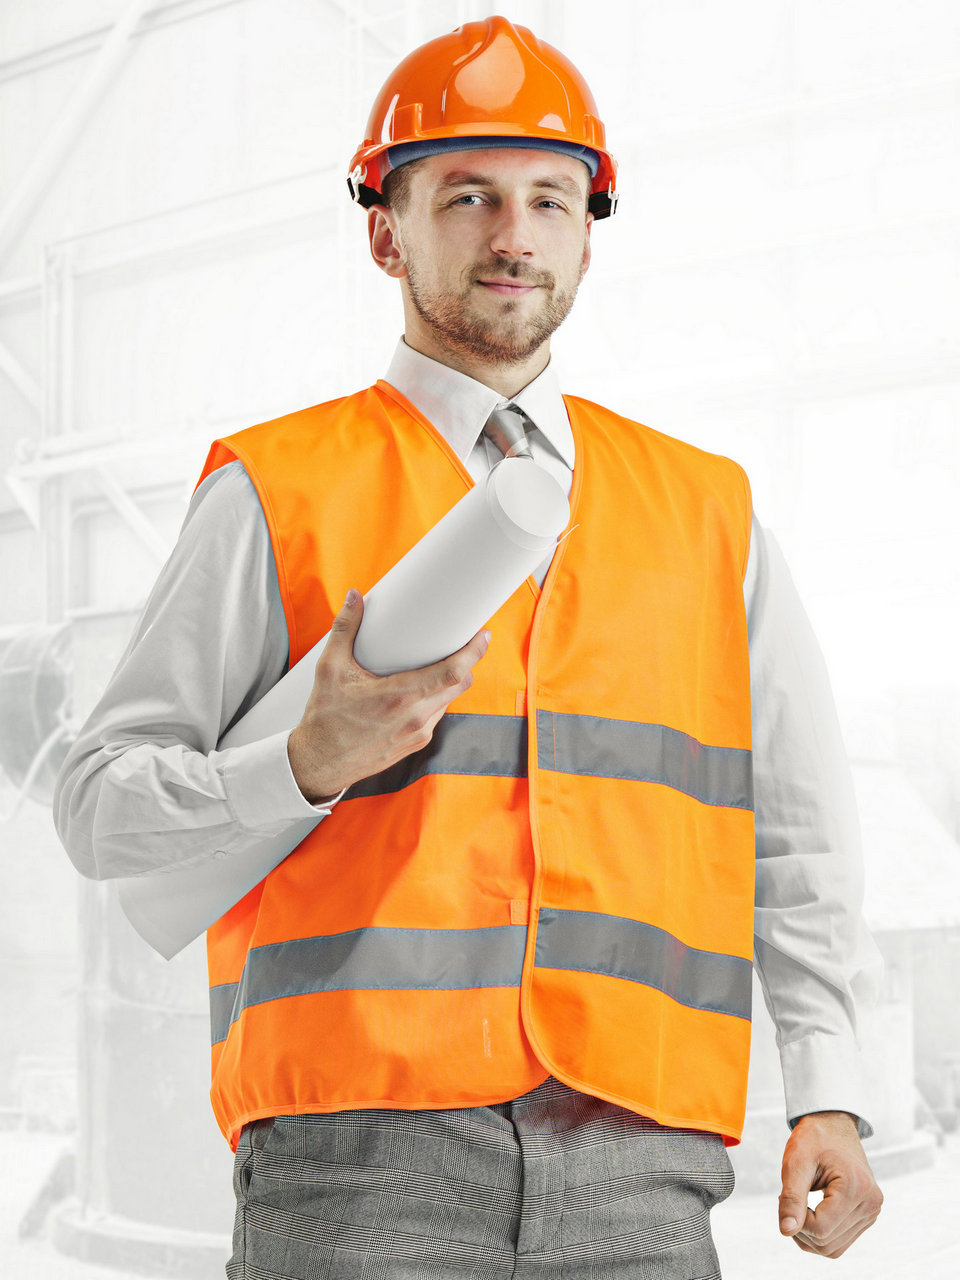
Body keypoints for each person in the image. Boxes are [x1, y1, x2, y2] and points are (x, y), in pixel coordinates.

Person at [54, 16, 884, 1279]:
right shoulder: (278, 489)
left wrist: (831, 1084)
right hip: (356, 1160)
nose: (516, 235)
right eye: (469, 197)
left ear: (589, 231)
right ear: (386, 228)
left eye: (553, 199)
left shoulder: (706, 507)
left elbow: (799, 831)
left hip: (643, 1157)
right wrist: (296, 762)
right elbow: (97, 808)